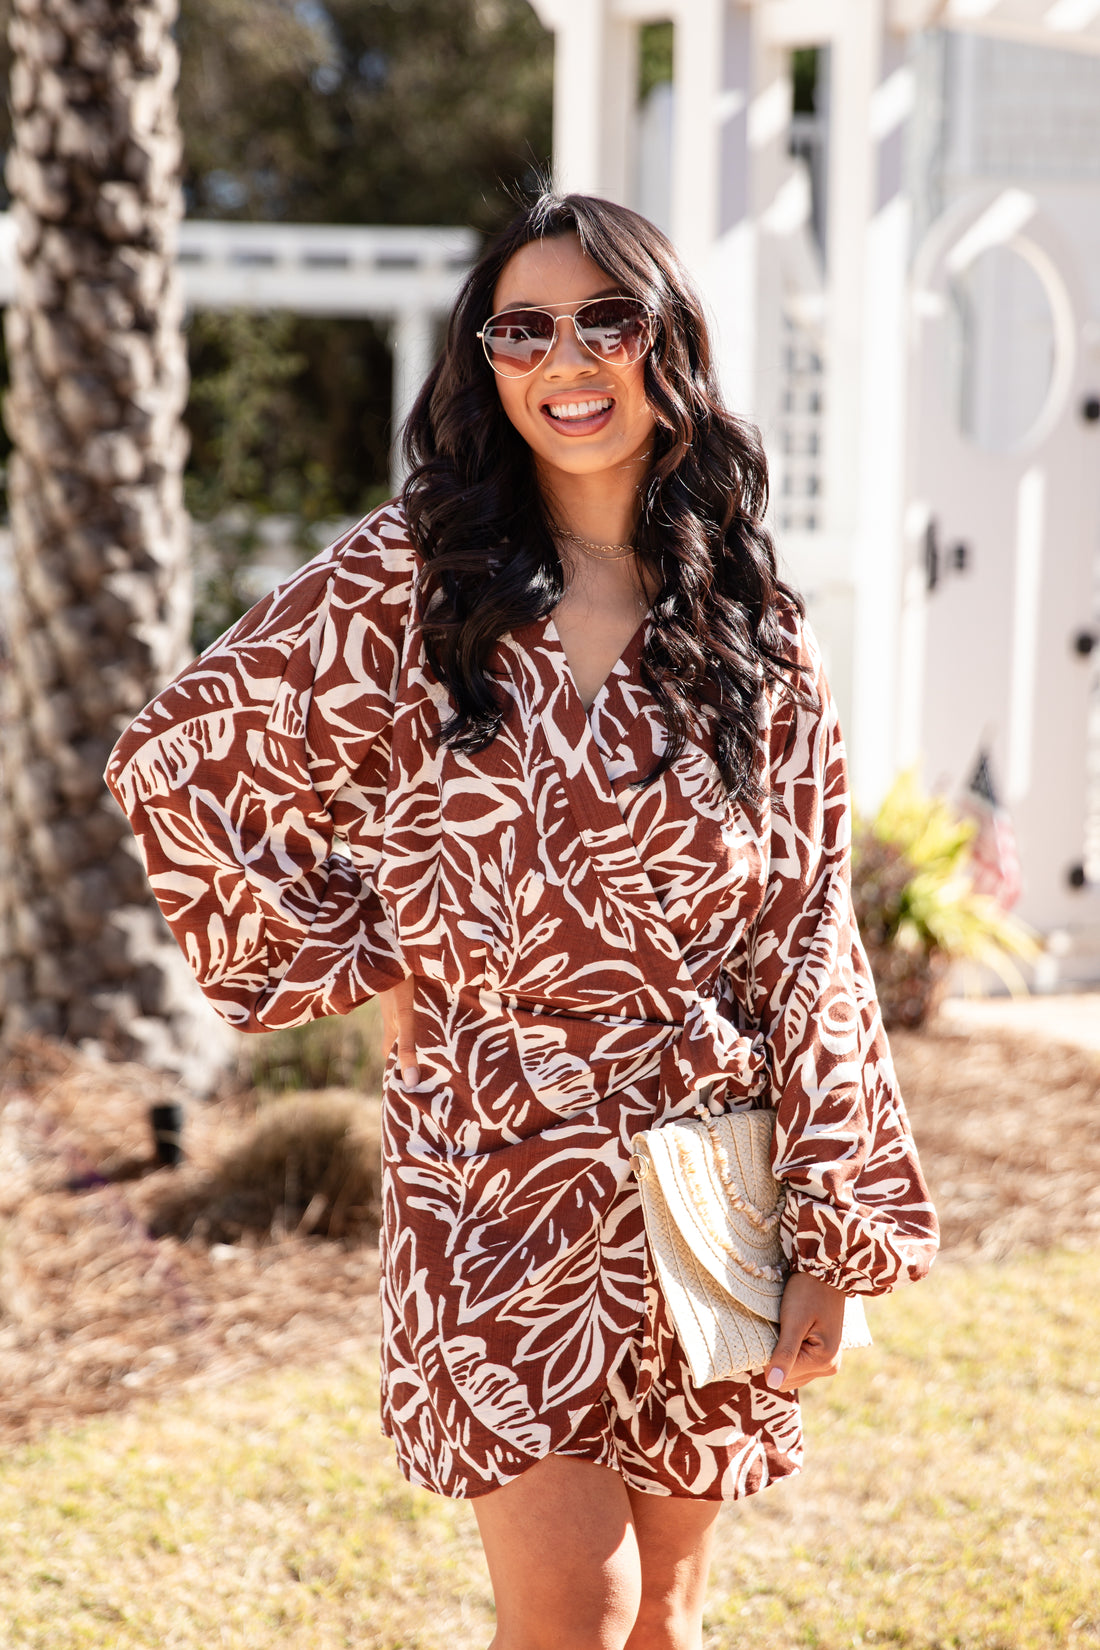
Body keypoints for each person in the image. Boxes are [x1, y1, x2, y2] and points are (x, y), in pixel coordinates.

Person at [107, 192, 938, 1650]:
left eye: (606, 319)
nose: (567, 355)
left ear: (665, 343)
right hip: (494, 1159)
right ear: (487, 362)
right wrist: (365, 947)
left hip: (705, 1157)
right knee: (573, 1607)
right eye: (523, 326)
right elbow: (177, 754)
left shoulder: (751, 621)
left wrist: (832, 1225)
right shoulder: (413, 579)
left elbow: (806, 930)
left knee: (669, 1610)